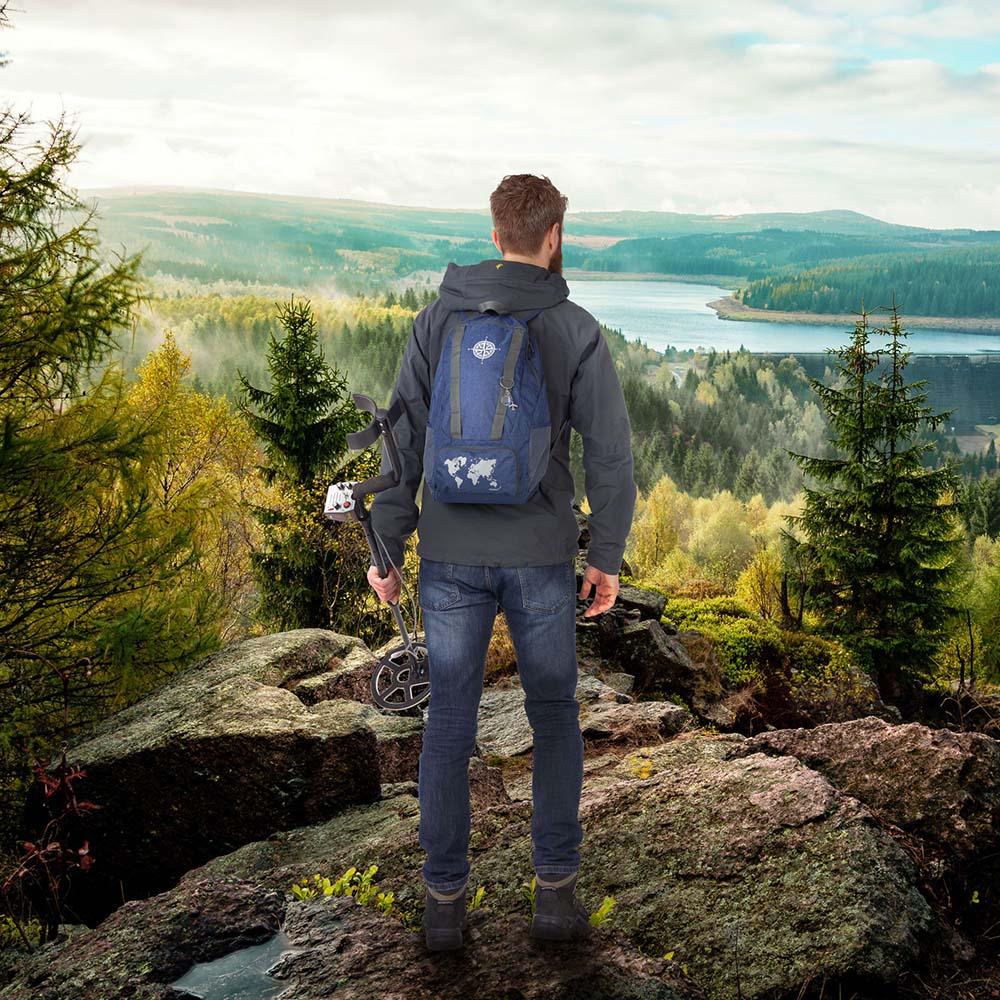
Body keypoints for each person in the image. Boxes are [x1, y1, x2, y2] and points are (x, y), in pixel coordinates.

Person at [367, 173, 637, 950]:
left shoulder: (435, 322)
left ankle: (444, 909)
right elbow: (610, 456)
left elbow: (402, 443)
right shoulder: (575, 327)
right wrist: (606, 557)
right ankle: (554, 899)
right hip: (540, 554)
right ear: (555, 236)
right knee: (553, 715)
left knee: (449, 719)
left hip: (450, 555)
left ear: (494, 234)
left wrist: (388, 548)